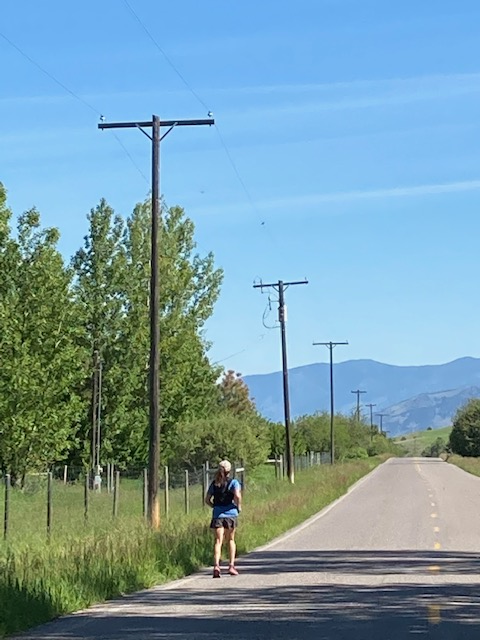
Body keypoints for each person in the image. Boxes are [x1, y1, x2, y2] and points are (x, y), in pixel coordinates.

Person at [205, 459, 242, 578]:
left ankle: (216, 566)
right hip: (231, 514)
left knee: (218, 541)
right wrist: (238, 506)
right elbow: (237, 496)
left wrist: (214, 507)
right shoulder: (234, 482)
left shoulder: (214, 483)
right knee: (230, 540)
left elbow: (207, 499)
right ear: (229, 471)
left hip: (217, 515)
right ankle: (231, 566)